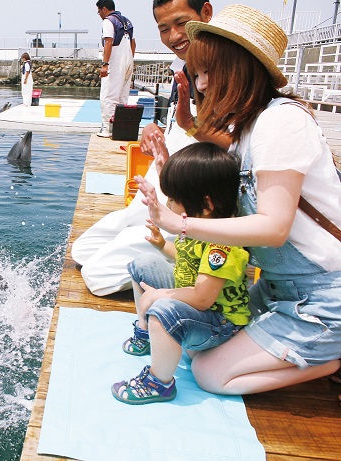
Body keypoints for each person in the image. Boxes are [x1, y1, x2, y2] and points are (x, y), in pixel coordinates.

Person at [137, 4, 341, 396]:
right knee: (198, 349)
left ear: (240, 66)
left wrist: (177, 224)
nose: (200, 85)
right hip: (279, 290)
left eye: (207, 72)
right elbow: (221, 175)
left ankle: (332, 358)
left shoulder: (281, 122)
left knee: (211, 373)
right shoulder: (252, 126)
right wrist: (175, 145)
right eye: (197, 74)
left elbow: (274, 228)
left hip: (322, 299)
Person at [71, 0, 213, 296]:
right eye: (164, 28)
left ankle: (187, 271)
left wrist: (167, 164)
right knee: (81, 252)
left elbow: (215, 162)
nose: (174, 35)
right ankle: (142, 253)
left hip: (181, 202)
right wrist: (153, 130)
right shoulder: (184, 67)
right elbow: (180, 125)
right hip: (160, 185)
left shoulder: (218, 74)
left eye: (181, 23)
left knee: (97, 278)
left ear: (205, 14)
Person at [112, 142, 250, 404]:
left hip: (219, 323)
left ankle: (159, 382)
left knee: (164, 309)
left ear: (206, 205)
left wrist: (161, 295)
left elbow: (203, 298)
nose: (168, 206)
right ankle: (148, 333)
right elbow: (186, 260)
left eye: (174, 200)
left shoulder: (221, 244)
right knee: (143, 263)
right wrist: (163, 246)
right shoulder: (199, 227)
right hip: (197, 302)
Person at [95, 0, 136, 138]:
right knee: (123, 97)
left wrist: (105, 64)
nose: (99, 14)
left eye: (99, 11)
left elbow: (108, 41)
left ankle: (107, 128)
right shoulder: (127, 21)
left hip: (115, 61)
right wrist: (130, 59)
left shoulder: (108, 21)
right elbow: (133, 42)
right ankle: (120, 129)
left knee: (108, 95)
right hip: (128, 59)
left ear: (105, 9)